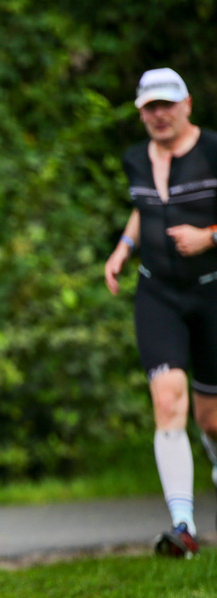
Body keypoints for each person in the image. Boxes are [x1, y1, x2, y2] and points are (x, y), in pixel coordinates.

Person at [105, 67, 217, 559]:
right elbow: (143, 207)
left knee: (211, 420)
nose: (159, 114)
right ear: (140, 112)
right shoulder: (135, 159)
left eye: (166, 104)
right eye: (150, 106)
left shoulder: (212, 150)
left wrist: (208, 237)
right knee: (168, 399)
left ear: (186, 104)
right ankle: (184, 528)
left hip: (211, 293)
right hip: (157, 295)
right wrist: (124, 248)